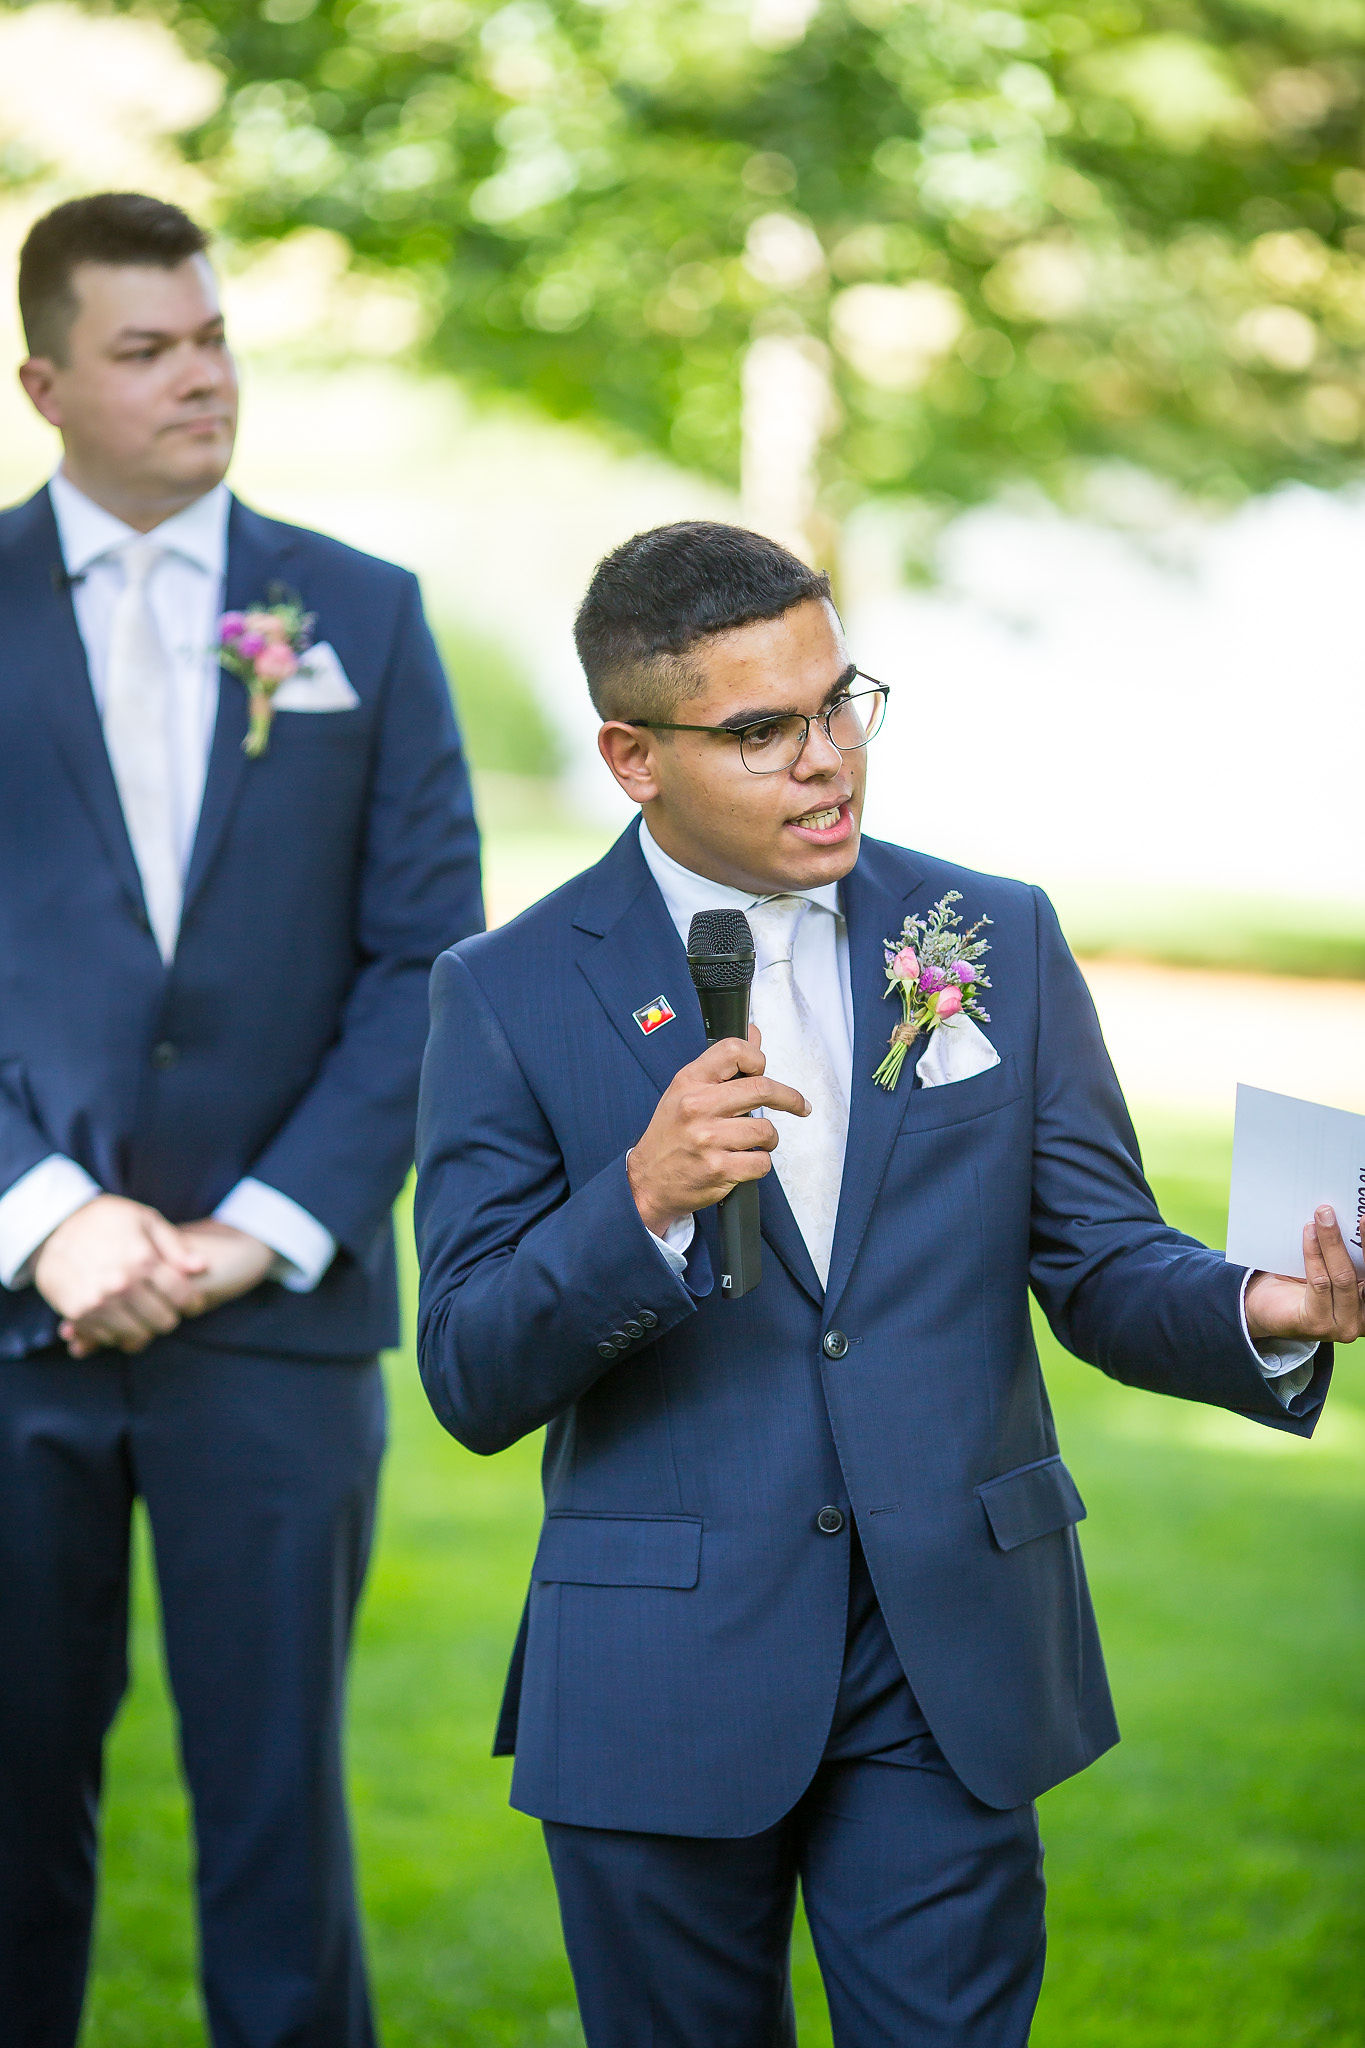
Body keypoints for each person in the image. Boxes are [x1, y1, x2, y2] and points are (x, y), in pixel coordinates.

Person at [414, 520, 1358, 2048]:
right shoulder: (505, 993)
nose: (828, 758)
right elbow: (464, 1370)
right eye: (762, 730)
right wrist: (641, 1199)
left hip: (944, 1645)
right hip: (663, 1664)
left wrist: (1265, 1308)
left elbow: (1100, 1257)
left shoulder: (989, 933)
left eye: (841, 700)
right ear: (632, 756)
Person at [0, 192, 483, 2048]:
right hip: (13, 1323)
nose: (200, 376)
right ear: (46, 381)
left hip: (275, 1323)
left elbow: (429, 958)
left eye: (211, 336)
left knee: (280, 1831)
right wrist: (49, 1213)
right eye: (146, 349)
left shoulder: (354, 610)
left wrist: (261, 1227)